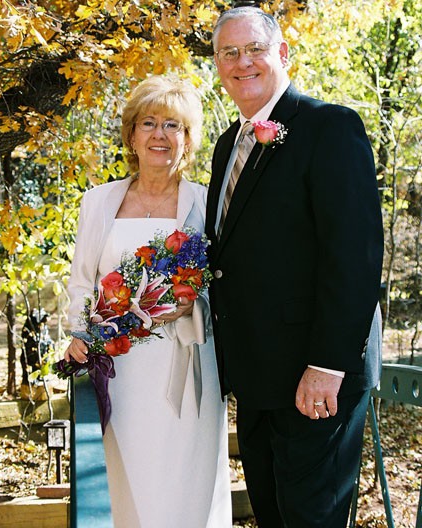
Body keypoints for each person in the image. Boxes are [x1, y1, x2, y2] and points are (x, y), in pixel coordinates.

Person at [205, 7, 384, 528]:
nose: (242, 63)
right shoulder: (226, 146)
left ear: (283, 54)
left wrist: (328, 366)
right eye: (228, 53)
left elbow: (354, 255)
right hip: (257, 376)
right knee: (276, 517)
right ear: (217, 65)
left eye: (254, 49)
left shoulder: (329, 127)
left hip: (315, 376)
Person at [64, 75, 232, 528]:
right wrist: (82, 336)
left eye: (173, 125)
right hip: (119, 367)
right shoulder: (98, 202)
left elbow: (227, 281)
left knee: (186, 483)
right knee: (125, 482)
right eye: (149, 123)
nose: (160, 135)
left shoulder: (207, 203)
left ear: (189, 140)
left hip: (188, 363)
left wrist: (191, 302)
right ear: (131, 136)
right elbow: (81, 283)